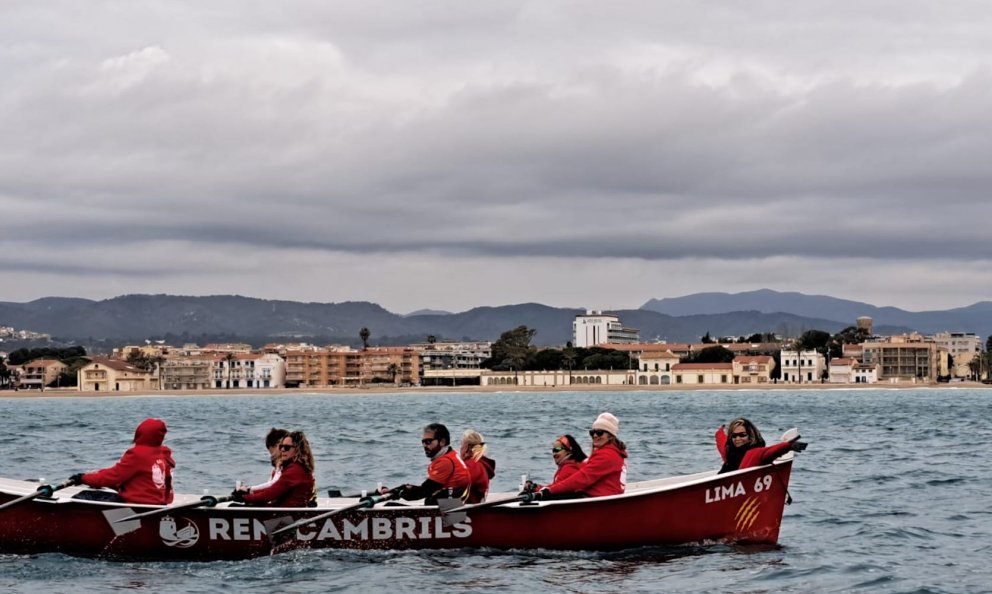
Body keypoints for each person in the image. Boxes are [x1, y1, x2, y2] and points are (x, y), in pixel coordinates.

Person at [70, 418, 175, 505]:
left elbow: (113, 476)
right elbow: (123, 475)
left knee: (83, 496)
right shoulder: (162, 454)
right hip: (156, 503)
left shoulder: (138, 454)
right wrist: (94, 476)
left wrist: (83, 478)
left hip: (136, 504)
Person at [526, 412, 627, 501]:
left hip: (597, 502)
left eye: (599, 432)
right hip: (599, 498)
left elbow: (581, 479)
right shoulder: (614, 453)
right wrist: (539, 488)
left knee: (546, 497)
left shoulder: (606, 455)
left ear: (610, 435)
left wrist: (547, 491)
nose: (595, 436)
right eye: (592, 432)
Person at [382, 423, 471, 505]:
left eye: (428, 442)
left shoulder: (445, 462)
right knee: (428, 499)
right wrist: (396, 490)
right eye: (423, 442)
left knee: (389, 505)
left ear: (442, 442)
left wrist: (399, 493)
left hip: (450, 513)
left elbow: (423, 492)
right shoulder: (452, 454)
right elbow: (427, 489)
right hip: (454, 505)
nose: (424, 446)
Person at [234, 430, 316, 507]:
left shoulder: (295, 470)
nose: (283, 450)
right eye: (281, 447)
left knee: (235, 507)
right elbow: (273, 489)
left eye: (287, 447)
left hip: (286, 514)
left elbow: (271, 494)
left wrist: (244, 497)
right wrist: (249, 493)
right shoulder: (298, 466)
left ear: (298, 449)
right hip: (286, 510)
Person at [715, 417, 807, 474]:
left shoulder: (754, 453)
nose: (737, 438)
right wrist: (720, 431)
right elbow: (721, 442)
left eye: (742, 435)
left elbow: (770, 452)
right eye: (734, 436)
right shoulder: (729, 451)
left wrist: (789, 446)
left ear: (751, 436)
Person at [522, 434, 588, 494]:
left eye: (557, 450)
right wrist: (535, 487)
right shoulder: (571, 465)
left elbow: (555, 490)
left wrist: (535, 488)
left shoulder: (569, 468)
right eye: (553, 451)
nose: (554, 454)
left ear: (568, 451)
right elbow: (555, 486)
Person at [459, 429, 496, 504]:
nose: (460, 448)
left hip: (467, 511)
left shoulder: (472, 465)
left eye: (461, 445)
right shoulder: (480, 463)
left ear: (467, 448)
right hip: (475, 506)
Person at [246, 427, 289, 491]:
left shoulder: (286, 467)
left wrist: (250, 489)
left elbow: (272, 485)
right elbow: (270, 485)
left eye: (272, 453)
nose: (272, 457)